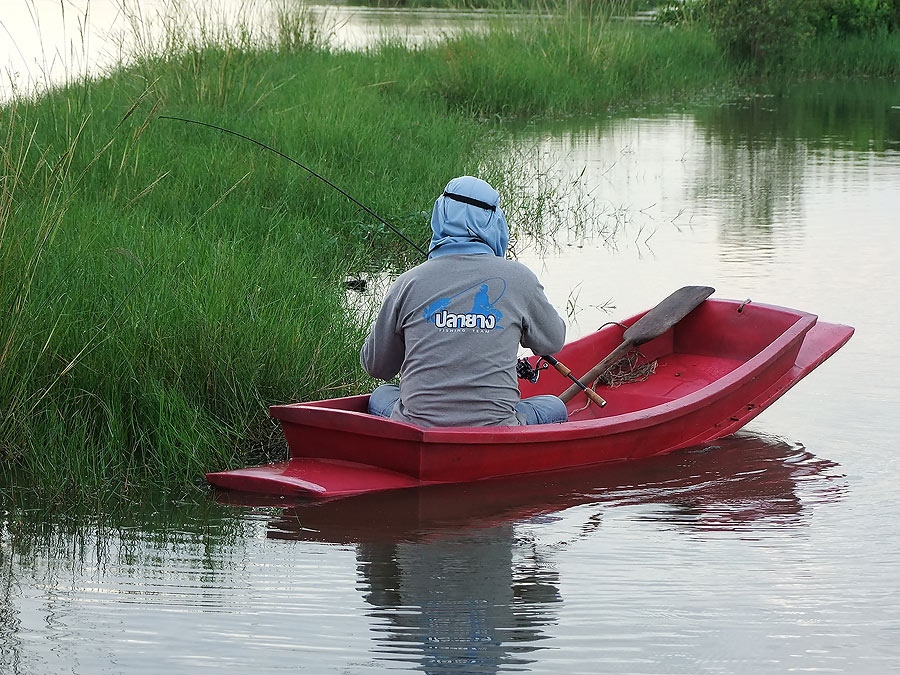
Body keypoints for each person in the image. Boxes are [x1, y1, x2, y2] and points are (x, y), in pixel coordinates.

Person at [360, 176, 568, 427]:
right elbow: (552, 341)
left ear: (440, 215)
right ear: (495, 220)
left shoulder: (407, 282)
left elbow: (376, 367)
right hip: (497, 431)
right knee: (554, 406)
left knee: (381, 395)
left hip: (419, 430)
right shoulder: (520, 278)